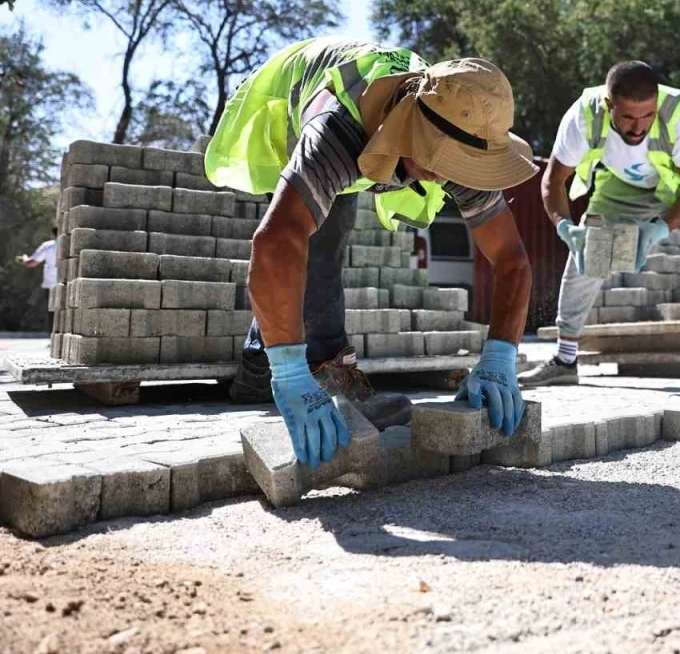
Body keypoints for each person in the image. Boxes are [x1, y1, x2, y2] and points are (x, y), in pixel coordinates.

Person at [205, 37, 538, 467]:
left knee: (330, 225)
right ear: (411, 127)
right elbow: (274, 243)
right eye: (438, 159)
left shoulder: (465, 127)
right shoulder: (335, 133)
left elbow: (511, 260)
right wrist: (290, 374)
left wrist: (499, 357)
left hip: (376, 109)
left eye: (458, 165)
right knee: (323, 232)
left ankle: (257, 364)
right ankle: (315, 367)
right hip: (294, 92)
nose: (445, 176)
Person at [519, 60, 680, 391]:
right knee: (588, 257)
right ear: (609, 105)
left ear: (656, 104)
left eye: (647, 116)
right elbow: (553, 180)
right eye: (628, 117)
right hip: (622, 188)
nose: (638, 127)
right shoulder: (583, 116)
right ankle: (565, 359)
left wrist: (660, 228)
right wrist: (564, 227)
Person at [17, 228, 58, 330]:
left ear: (53, 234)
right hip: (68, 283)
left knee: (53, 310)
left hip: (52, 284)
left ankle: (53, 335)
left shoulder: (48, 246)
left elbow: (31, 262)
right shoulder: (71, 244)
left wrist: (24, 258)